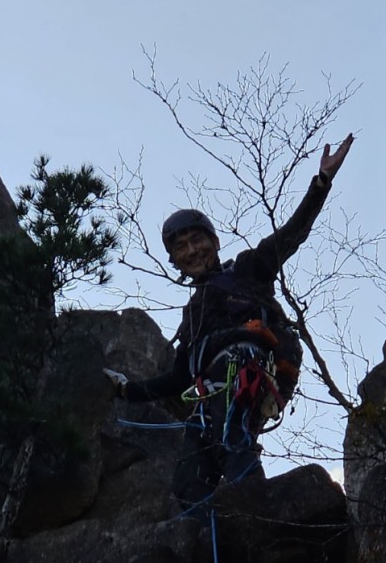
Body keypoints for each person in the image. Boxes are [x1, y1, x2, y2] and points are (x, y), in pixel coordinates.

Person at [105, 133, 354, 513]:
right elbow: (177, 378)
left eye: (196, 240)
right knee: (191, 472)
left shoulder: (248, 270)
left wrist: (321, 183)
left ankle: (261, 516)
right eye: (181, 247)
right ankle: (215, 540)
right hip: (217, 385)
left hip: (253, 367)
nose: (192, 251)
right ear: (174, 260)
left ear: (215, 241)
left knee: (230, 430)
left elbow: (291, 235)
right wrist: (126, 391)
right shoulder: (193, 318)